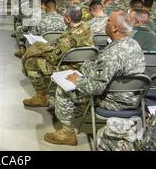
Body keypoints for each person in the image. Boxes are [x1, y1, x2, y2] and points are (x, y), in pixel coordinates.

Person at [44, 11, 145, 145]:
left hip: (112, 102)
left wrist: (77, 80)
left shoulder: (112, 54)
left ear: (115, 28)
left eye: (108, 20)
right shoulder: (134, 45)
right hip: (134, 100)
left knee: (64, 88)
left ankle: (67, 133)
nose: (105, 22)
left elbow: (95, 88)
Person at [21, 5, 94, 107]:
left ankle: (41, 98)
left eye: (64, 16)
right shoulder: (87, 27)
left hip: (71, 67)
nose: (63, 18)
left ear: (68, 19)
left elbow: (52, 59)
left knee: (31, 63)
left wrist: (41, 50)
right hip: (87, 66)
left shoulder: (67, 41)